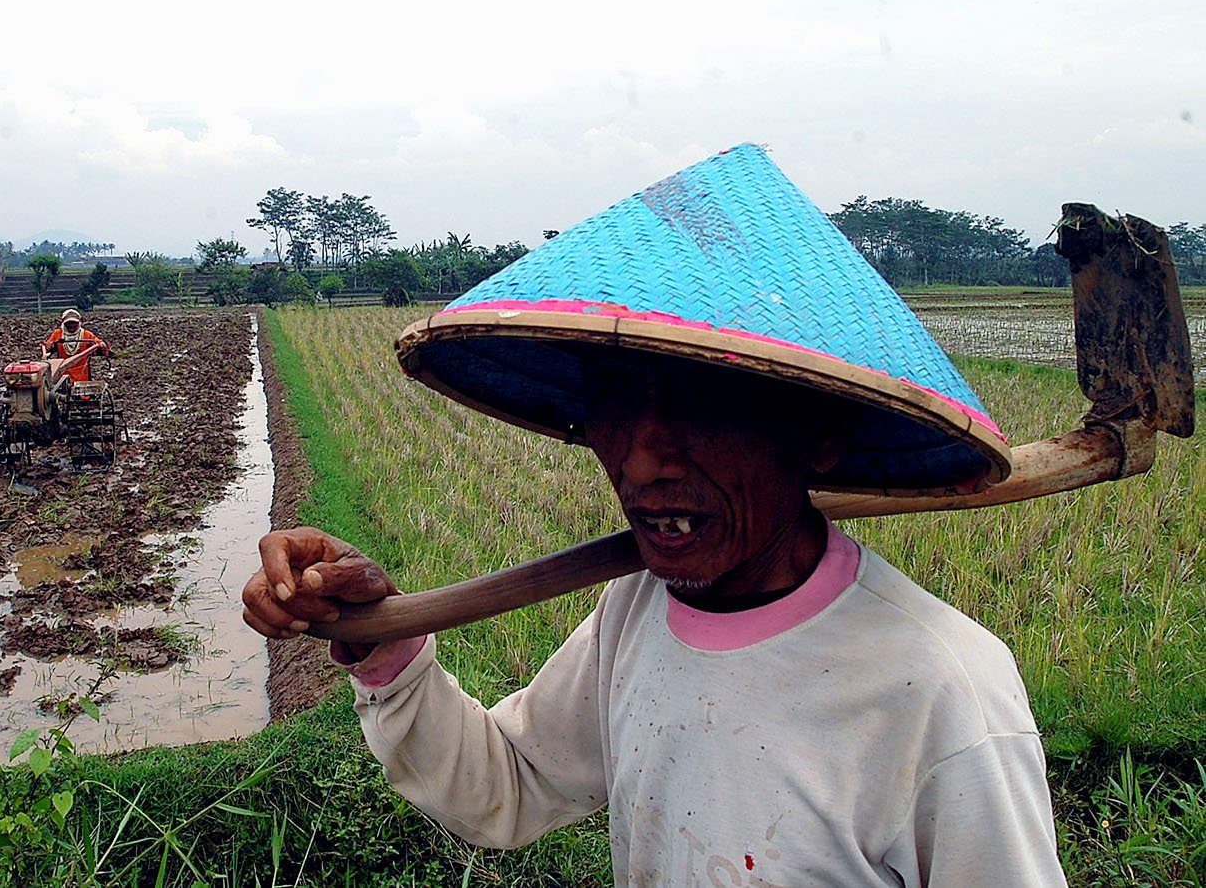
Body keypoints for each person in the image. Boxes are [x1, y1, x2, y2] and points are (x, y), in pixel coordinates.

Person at [243, 144, 1068, 886]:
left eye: (698, 410)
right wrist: (383, 638)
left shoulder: (937, 689)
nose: (638, 464)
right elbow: (508, 785)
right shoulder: (636, 609)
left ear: (817, 434)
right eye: (615, 408)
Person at [42, 308, 111, 384]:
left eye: (74, 323)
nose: (71, 325)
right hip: (62, 372)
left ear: (79, 323)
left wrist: (101, 345)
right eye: (69, 323)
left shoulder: (86, 335)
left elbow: (99, 344)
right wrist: (49, 346)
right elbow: (47, 347)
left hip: (82, 372)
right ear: (64, 323)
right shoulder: (57, 334)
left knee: (83, 393)